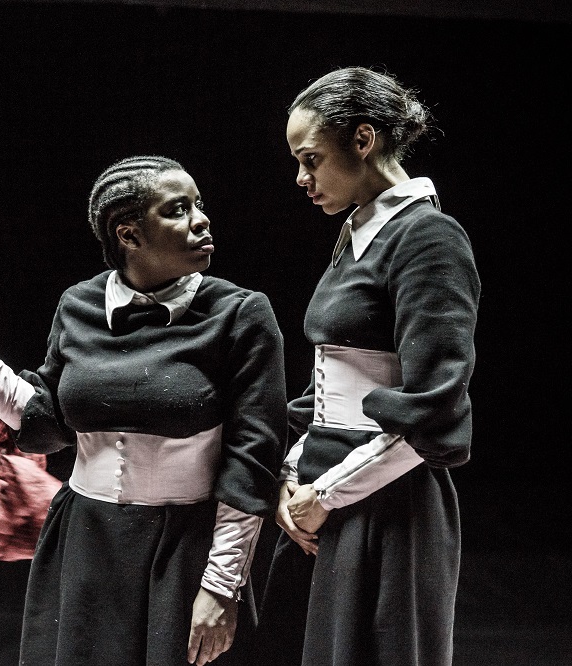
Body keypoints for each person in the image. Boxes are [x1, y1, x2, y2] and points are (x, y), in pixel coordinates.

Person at [0, 155, 288, 666]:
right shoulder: (79, 304)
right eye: (179, 210)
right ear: (129, 234)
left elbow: (253, 460)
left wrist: (222, 585)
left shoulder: (240, 314)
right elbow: (47, 422)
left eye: (199, 206)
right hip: (86, 540)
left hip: (186, 549)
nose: (202, 220)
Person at [256, 66, 481, 666]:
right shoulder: (356, 233)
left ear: (362, 140)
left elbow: (434, 410)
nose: (301, 178)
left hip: (389, 504)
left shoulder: (428, 237)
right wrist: (289, 477)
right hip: (322, 497)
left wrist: (325, 495)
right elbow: (329, 390)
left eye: (310, 159)